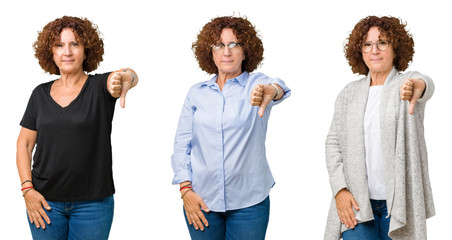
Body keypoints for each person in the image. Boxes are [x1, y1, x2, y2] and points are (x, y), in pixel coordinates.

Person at [16, 16, 138, 240]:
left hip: (93, 206)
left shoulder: (100, 87)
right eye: (60, 45)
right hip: (45, 203)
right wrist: (27, 190)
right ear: (51, 52)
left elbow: (126, 75)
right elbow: (24, 144)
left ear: (86, 49)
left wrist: (125, 77)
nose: (67, 52)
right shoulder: (39, 95)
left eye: (75, 44)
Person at [171, 16, 290, 240]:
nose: (226, 51)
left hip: (249, 204)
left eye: (234, 44)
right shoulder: (196, 93)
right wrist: (185, 190)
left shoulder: (256, 85)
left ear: (245, 52)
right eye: (219, 45)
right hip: (201, 201)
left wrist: (272, 90)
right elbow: (181, 145)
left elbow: (279, 87)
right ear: (211, 52)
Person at [324, 16, 435, 240]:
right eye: (367, 44)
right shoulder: (349, 94)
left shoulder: (406, 84)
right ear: (360, 51)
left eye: (382, 42)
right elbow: (333, 143)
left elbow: (425, 84)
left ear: (396, 49)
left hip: (399, 207)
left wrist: (418, 87)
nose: (374, 50)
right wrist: (340, 189)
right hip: (357, 204)